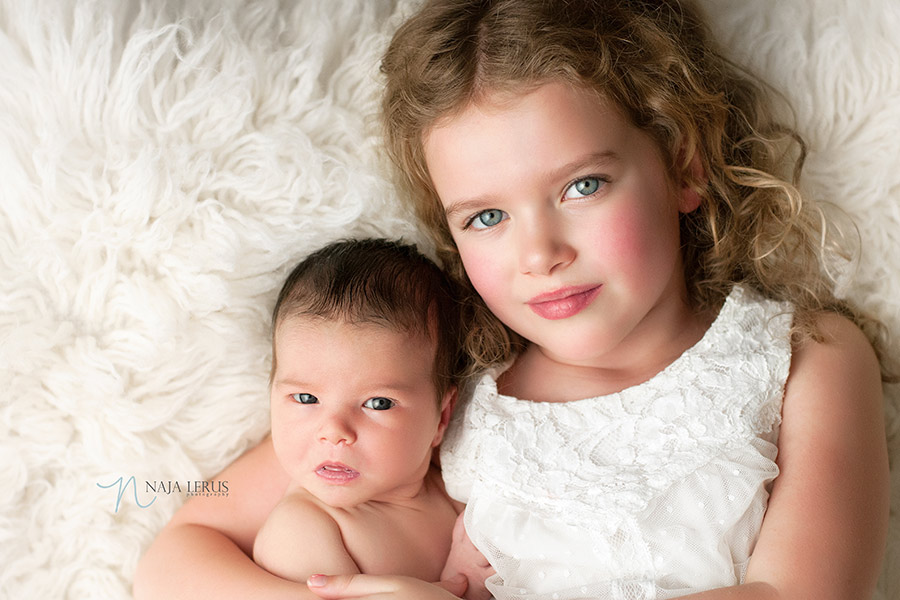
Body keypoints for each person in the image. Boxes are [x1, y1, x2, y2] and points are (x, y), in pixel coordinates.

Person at [134, 1, 892, 599]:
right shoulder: (438, 383)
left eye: (582, 186)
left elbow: (799, 591)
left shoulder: (801, 358)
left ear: (682, 164)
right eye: (487, 217)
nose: (541, 255)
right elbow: (176, 561)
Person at [251, 238, 466, 583]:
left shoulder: (457, 494)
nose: (334, 431)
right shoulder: (304, 531)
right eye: (306, 398)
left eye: (377, 403)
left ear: (441, 417)